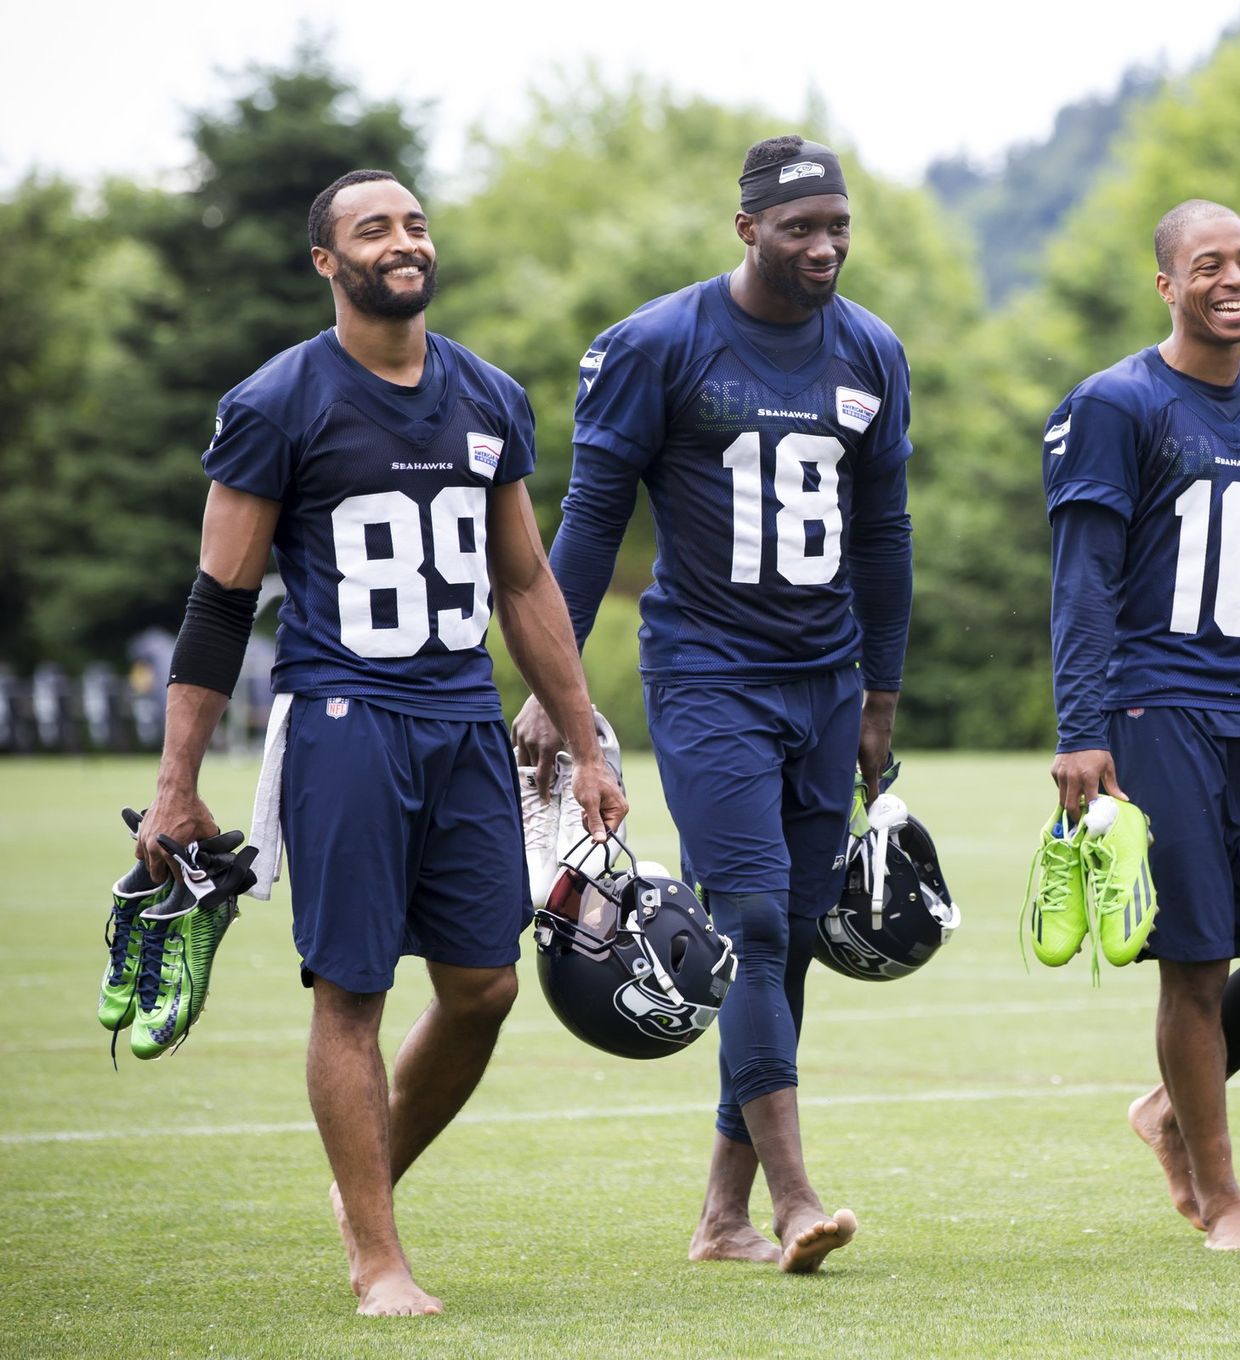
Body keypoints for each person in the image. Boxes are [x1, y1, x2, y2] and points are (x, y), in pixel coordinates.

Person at [134, 170, 626, 1313]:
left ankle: (365, 1190)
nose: (402, 242)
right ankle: (377, 1256)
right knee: (349, 991)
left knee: (484, 986)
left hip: (461, 722)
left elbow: (524, 580)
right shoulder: (276, 402)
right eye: (373, 230)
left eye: (413, 224)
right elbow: (218, 604)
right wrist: (176, 787)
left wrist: (590, 744)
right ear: (327, 262)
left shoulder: (490, 393)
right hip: (344, 716)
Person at [514, 135, 912, 1273]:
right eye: (800, 228)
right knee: (753, 921)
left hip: (827, 676)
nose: (825, 245)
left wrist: (880, 688)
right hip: (707, 671)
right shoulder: (660, 343)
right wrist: (562, 687)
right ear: (747, 231)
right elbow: (588, 522)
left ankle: (720, 1217)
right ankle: (794, 1199)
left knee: (786, 950)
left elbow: (885, 532)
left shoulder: (873, 351)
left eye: (838, 224)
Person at [1042, 200, 1240, 1251]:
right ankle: (1223, 1197)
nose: (1236, 280)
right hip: (1155, 705)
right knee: (1195, 957)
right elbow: (1083, 581)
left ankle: (1167, 1108)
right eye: (1209, 265)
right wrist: (1083, 727)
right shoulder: (1116, 403)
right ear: (1168, 286)